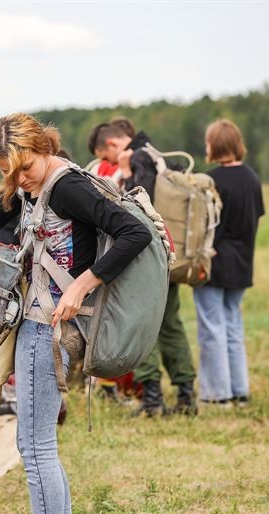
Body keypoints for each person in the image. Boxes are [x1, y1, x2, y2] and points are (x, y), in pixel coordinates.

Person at [0, 113, 150, 514]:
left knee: (35, 446)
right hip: (36, 322)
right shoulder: (26, 186)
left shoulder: (65, 186)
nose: (20, 179)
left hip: (54, 328)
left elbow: (134, 233)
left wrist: (85, 282)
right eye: (10, 171)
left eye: (26, 167)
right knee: (37, 443)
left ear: (43, 147)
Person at [92, 122, 198, 416]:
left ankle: (152, 399)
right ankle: (186, 394)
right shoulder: (158, 154)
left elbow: (139, 207)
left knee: (143, 322)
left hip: (146, 257)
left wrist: (125, 174)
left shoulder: (137, 159)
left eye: (107, 157)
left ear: (113, 145)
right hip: (169, 250)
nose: (111, 163)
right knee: (172, 324)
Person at [195, 120, 264, 407]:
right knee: (233, 324)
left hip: (215, 262)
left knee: (212, 326)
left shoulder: (212, 181)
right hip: (243, 261)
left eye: (209, 142)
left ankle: (217, 394)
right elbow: (257, 216)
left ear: (216, 146)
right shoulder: (252, 177)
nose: (206, 146)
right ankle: (239, 390)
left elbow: (206, 226)